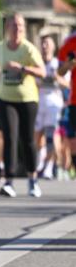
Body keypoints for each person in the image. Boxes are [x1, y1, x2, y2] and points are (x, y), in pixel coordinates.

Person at [0, 13, 45, 198]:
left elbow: (42, 72)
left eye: (20, 26)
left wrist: (22, 68)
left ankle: (32, 179)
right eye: (14, 25)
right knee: (9, 138)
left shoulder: (28, 49)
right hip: (4, 98)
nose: (18, 29)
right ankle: (9, 182)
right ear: (7, 27)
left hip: (27, 99)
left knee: (27, 139)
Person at [35, 34, 67, 178]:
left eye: (47, 44)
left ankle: (49, 167)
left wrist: (57, 78)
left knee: (52, 135)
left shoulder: (58, 64)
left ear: (53, 47)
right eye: (43, 44)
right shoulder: (37, 64)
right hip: (39, 101)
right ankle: (40, 161)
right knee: (37, 135)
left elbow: (67, 83)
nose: (44, 47)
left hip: (54, 103)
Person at [57, 28, 76, 174]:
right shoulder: (70, 42)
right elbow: (60, 72)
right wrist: (68, 66)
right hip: (74, 100)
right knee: (73, 142)